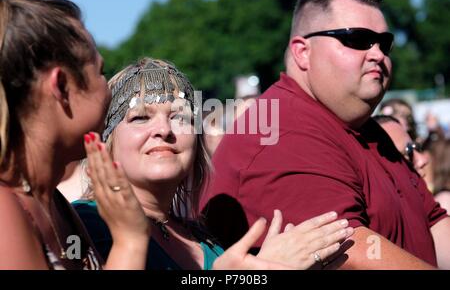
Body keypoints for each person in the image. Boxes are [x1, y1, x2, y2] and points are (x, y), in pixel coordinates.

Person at [200, 0, 450, 269]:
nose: (377, 54)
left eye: (384, 43)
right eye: (358, 39)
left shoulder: (366, 130)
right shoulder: (280, 129)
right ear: (302, 52)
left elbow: (434, 222)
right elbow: (353, 254)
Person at [73, 57, 353, 270]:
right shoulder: (81, 223)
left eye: (180, 117)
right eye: (141, 117)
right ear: (106, 142)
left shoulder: (204, 238)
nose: (164, 130)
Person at [0, 0, 151, 269]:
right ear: (60, 87)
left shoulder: (56, 204)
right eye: (101, 72)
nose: (108, 90)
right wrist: (130, 241)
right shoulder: (4, 210)